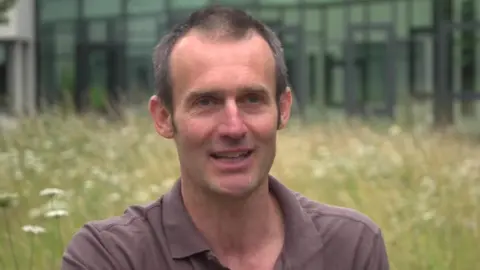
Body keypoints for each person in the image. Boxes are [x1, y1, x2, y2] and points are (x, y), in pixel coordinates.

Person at [61, 5, 390, 270]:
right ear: (163, 118)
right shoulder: (109, 257)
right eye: (206, 102)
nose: (233, 128)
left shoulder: (351, 248)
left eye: (252, 100)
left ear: (283, 109)